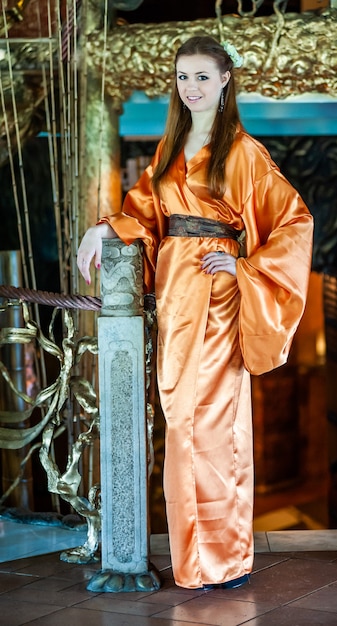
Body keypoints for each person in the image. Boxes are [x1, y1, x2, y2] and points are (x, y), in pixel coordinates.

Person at [77, 35, 314, 591]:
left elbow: (294, 222)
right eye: (183, 77)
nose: (192, 87)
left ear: (226, 79)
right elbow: (145, 210)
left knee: (206, 426)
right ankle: (196, 559)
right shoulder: (169, 148)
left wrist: (243, 267)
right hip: (178, 299)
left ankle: (223, 559)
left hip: (218, 297)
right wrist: (103, 226)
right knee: (180, 424)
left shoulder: (245, 153)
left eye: (203, 76)